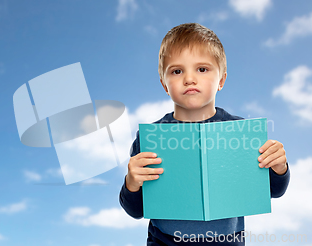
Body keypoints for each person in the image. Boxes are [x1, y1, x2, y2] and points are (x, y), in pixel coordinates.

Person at [119, 23, 290, 245]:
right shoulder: (151, 138)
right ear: (164, 83)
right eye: (177, 71)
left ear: (221, 79)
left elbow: (274, 192)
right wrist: (131, 183)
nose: (189, 78)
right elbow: (135, 210)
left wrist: (279, 167)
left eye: (202, 69)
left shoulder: (242, 134)